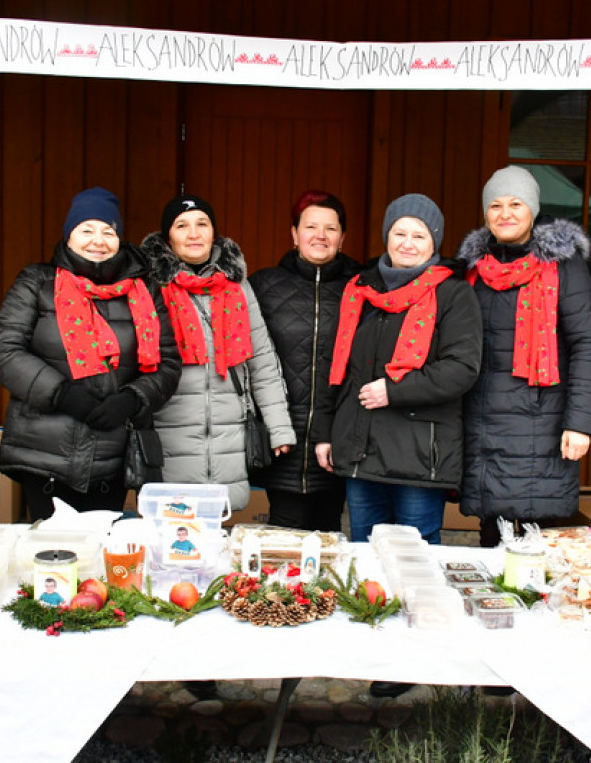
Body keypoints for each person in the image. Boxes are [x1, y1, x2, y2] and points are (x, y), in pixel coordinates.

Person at [0, 187, 182, 522]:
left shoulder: (145, 291)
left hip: (113, 453)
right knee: (51, 560)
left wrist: (132, 399)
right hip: (45, 453)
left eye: (108, 231)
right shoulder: (37, 283)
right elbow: (5, 353)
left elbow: (167, 363)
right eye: (87, 230)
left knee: (98, 558)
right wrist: (61, 394)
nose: (98, 240)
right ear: (69, 236)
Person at [313, 194, 482, 546]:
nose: (407, 243)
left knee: (417, 560)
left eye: (419, 236)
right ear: (386, 236)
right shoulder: (360, 290)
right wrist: (324, 434)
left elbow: (461, 368)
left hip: (420, 456)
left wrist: (394, 390)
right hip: (362, 450)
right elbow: (336, 368)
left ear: (434, 241)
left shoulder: (453, 294)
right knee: (365, 553)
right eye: (399, 233)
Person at [457, 166, 591, 548]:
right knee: (492, 536)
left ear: (532, 210)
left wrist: (580, 424)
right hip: (484, 418)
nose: (505, 213)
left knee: (541, 545)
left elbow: (586, 343)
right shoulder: (472, 269)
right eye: (496, 205)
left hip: (546, 419)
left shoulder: (563, 265)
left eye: (515, 203)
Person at [140, 196, 296, 512]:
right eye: (182, 225)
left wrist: (279, 426)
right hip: (169, 431)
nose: (193, 234)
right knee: (175, 535)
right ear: (168, 236)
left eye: (202, 224)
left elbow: (262, 360)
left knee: (218, 535)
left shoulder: (238, 287)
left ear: (214, 233)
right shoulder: (149, 287)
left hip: (229, 434)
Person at [249, 190, 362, 531]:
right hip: (283, 440)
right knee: (285, 535)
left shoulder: (362, 288)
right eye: (311, 226)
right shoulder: (263, 286)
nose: (320, 235)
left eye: (330, 228)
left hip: (338, 440)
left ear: (342, 238)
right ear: (294, 234)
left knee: (330, 534)